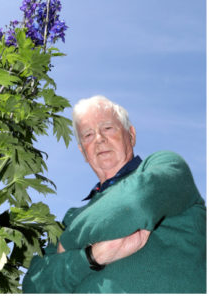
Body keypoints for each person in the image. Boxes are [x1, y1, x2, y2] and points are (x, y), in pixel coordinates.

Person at [22, 95, 206, 293]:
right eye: (88, 135)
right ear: (83, 152)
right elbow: (34, 285)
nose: (99, 138)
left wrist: (67, 243)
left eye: (108, 128)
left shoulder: (165, 165)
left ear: (131, 135)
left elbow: (135, 202)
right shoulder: (71, 217)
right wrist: (91, 257)